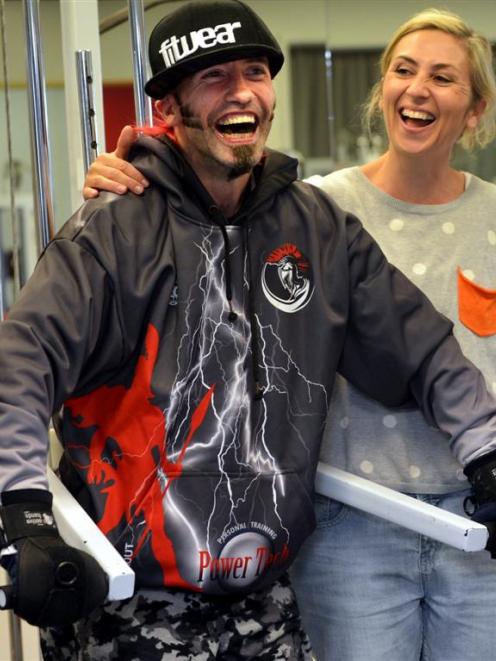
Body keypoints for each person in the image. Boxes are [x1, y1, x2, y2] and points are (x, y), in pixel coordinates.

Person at [3, 1, 496, 659]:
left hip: (263, 600)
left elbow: (422, 346)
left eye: (255, 71)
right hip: (130, 599)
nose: (241, 91)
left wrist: (487, 450)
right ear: (170, 108)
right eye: (212, 77)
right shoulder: (116, 227)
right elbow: (22, 361)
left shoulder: (316, 224)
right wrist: (24, 511)